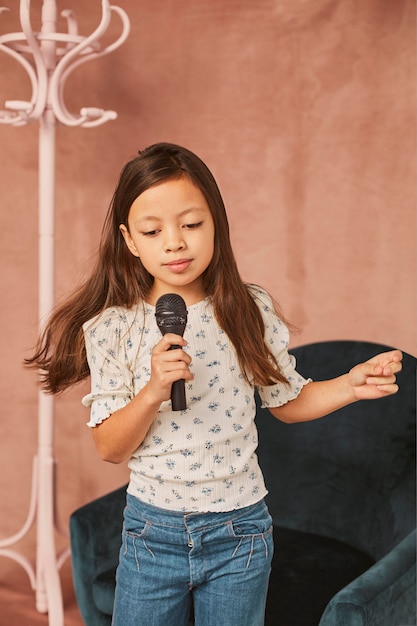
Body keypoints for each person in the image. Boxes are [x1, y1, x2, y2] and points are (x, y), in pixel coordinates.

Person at [27, 142, 402, 626]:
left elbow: (286, 401)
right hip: (152, 533)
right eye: (153, 230)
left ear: (216, 224)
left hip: (240, 533)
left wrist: (349, 385)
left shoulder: (247, 308)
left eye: (191, 224)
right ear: (130, 240)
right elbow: (109, 446)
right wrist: (152, 391)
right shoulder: (113, 328)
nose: (175, 243)